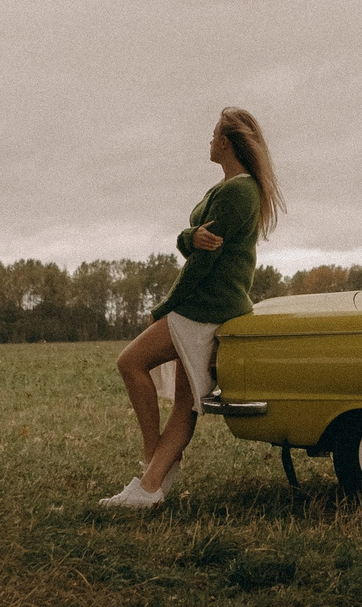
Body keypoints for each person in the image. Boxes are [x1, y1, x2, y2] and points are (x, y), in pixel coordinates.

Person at [101, 107, 282, 510]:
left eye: (214, 134)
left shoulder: (237, 193)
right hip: (211, 304)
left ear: (227, 143)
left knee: (130, 363)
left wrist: (166, 306)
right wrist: (188, 237)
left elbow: (204, 262)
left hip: (206, 306)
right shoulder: (229, 188)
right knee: (185, 404)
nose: (210, 140)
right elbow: (194, 241)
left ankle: (153, 464)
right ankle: (152, 484)